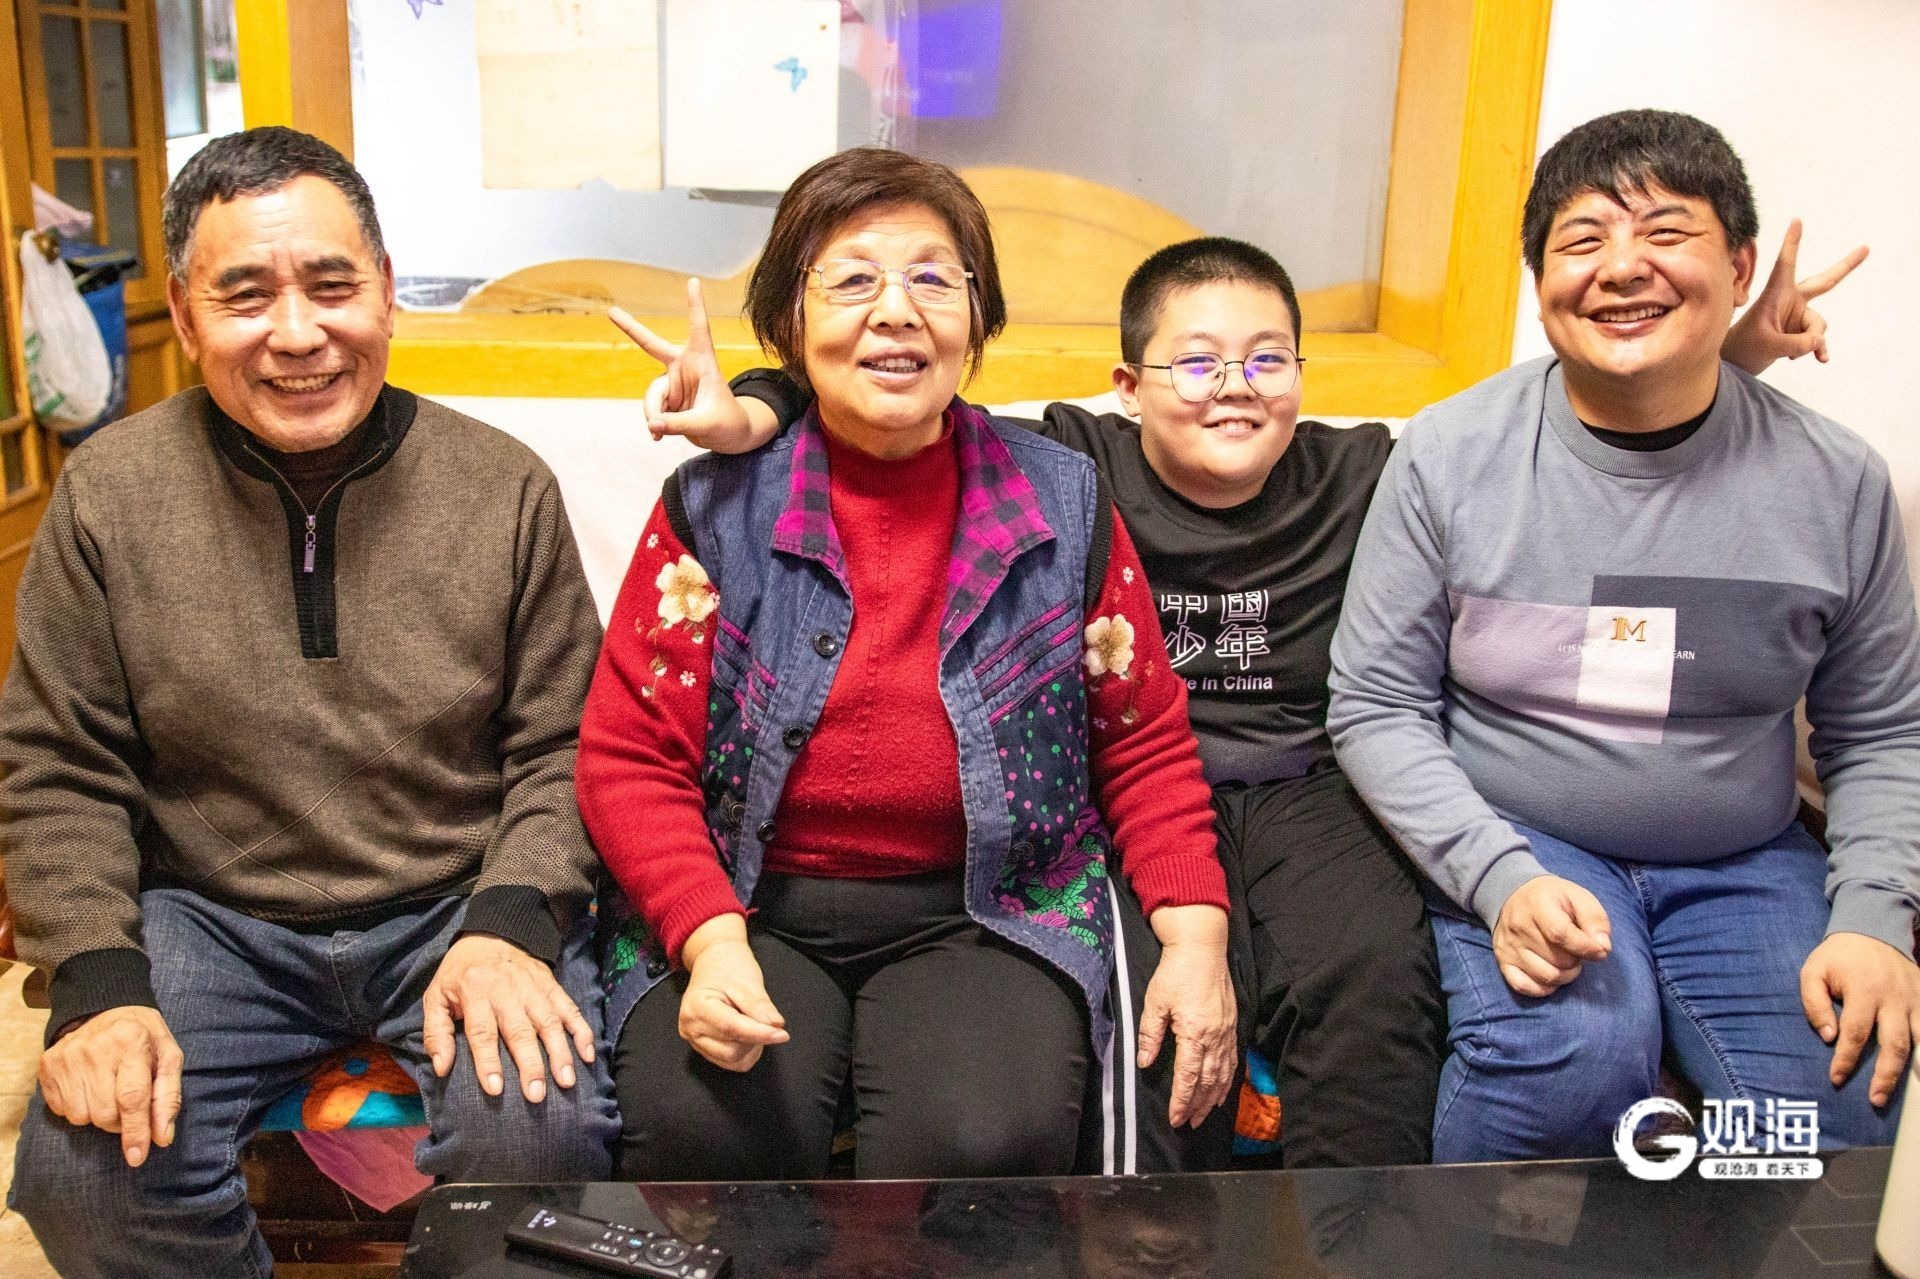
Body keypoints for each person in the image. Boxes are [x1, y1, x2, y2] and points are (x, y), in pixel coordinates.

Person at [617, 222, 1853, 1168]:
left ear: (1304, 375)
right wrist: (757, 411)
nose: (1233, 387)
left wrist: (1725, 354)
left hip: (1314, 787)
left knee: (1374, 993)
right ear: (1127, 382)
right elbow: (901, 387)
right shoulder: (1068, 467)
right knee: (1158, 1020)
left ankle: (1353, 1237)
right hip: (1128, 794)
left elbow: (1554, 434)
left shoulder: (1373, 471)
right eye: (1195, 362)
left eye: (1267, 359)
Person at [1, 127, 617, 1276]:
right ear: (185, 318)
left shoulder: (502, 487)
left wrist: (512, 921)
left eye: (332, 286)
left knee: (539, 1133)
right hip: (211, 916)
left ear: (385, 289)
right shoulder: (108, 496)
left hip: (453, 902)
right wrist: (95, 978)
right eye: (245, 296)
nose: (297, 333)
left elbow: (565, 743)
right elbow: (59, 763)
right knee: (84, 1170)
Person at [575, 146, 1237, 1181]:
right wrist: (708, 939)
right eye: (852, 280)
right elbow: (628, 759)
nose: (896, 311)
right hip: (744, 899)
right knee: (707, 1132)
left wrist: (1197, 944)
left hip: (984, 910)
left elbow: (1144, 746)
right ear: (790, 320)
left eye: (934, 278)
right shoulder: (716, 505)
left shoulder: (1062, 501)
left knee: (978, 1150)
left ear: (977, 318)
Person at [1327, 108, 1919, 1162]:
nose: (1621, 267)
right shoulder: (1451, 456)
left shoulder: (1835, 482)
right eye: (1583, 240)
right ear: (1541, 283)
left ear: (1740, 268)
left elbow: (1881, 730)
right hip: (1521, 836)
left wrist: (1876, 916)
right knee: (1571, 1060)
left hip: (1743, 859)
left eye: (1666, 232)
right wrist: (1498, 876)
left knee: (1845, 1098)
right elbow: (1376, 703)